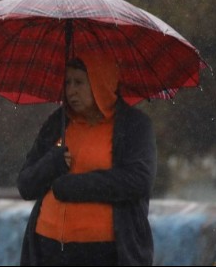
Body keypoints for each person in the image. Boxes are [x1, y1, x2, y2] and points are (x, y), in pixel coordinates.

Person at [17, 51, 157, 266]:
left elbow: (138, 181)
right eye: (67, 82)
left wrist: (76, 186)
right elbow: (26, 185)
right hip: (48, 249)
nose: (71, 90)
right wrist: (51, 163)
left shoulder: (133, 125)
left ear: (101, 82)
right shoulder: (58, 122)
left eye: (79, 82)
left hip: (105, 253)